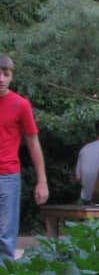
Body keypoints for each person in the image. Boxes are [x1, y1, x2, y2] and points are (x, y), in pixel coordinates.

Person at [0, 52, 48, 262]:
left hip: (8, 176)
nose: (1, 78)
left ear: (11, 76)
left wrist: (42, 181)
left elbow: (33, 143)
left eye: (5, 74)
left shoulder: (20, 105)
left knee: (5, 236)